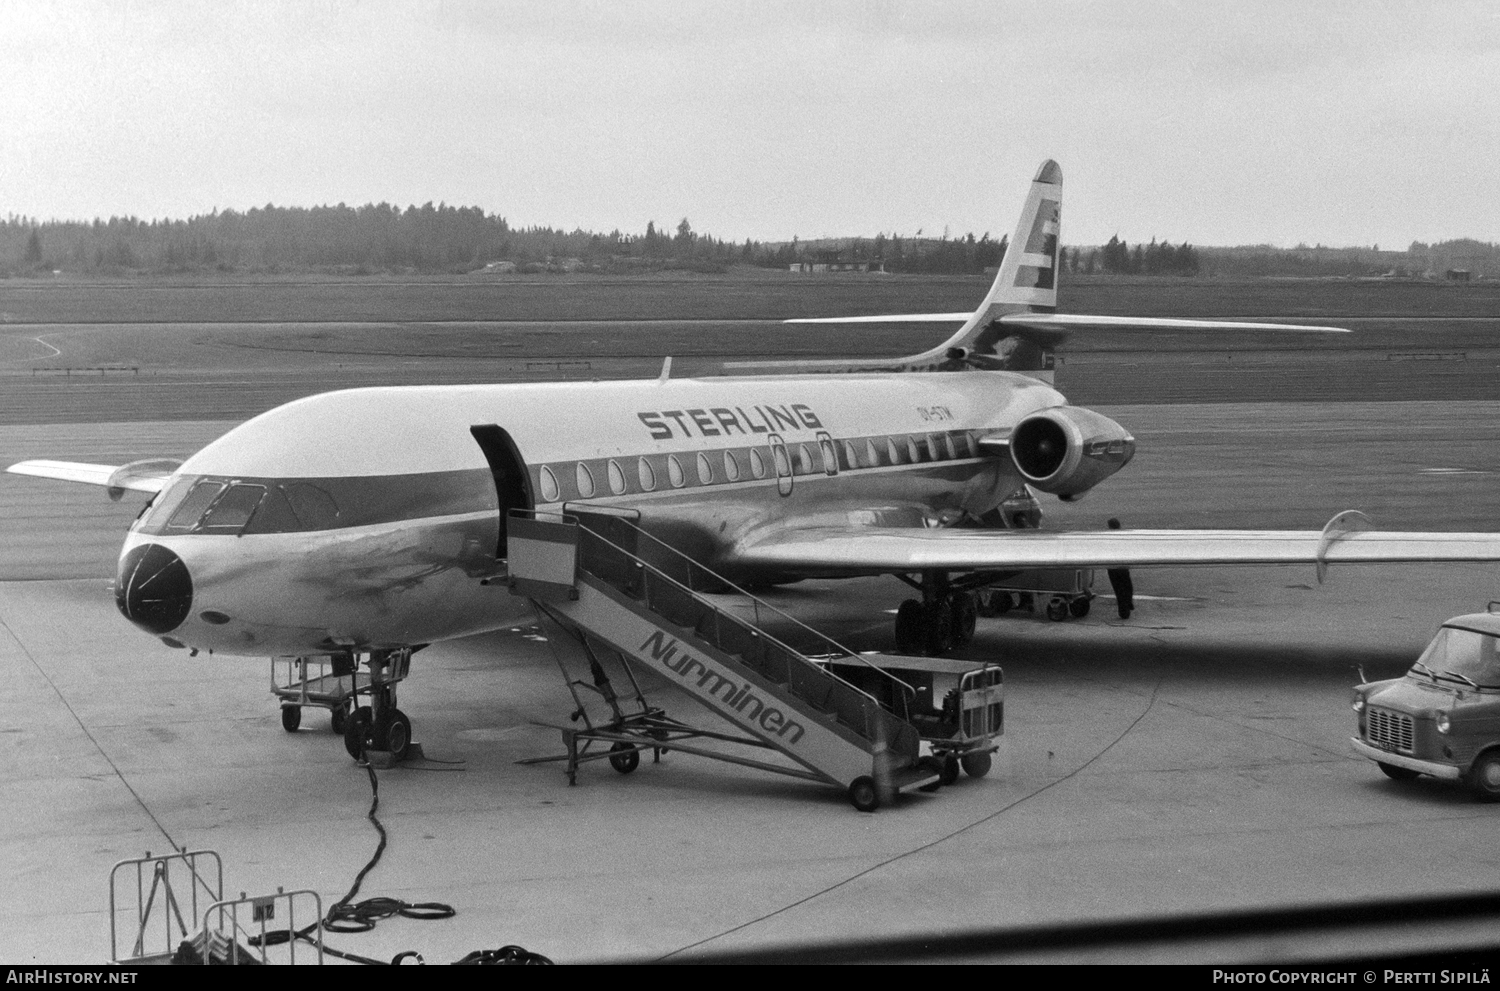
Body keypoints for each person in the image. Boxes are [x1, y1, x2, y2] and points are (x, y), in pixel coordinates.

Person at [1105, 517, 1134, 620]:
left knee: (1119, 590)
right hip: (1123, 566)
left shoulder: (1107, 539)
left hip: (1113, 567)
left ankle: (1124, 611)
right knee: (1127, 586)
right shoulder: (1123, 537)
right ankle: (1128, 604)